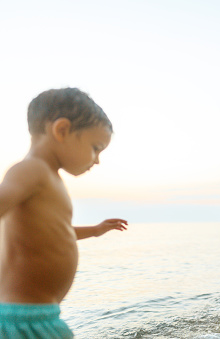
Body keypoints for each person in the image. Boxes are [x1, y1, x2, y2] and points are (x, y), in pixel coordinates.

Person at [0, 88, 128, 338]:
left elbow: (52, 234)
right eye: (95, 147)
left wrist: (94, 230)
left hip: (41, 316)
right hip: (22, 319)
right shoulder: (32, 170)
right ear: (61, 130)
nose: (97, 160)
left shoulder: (48, 177)